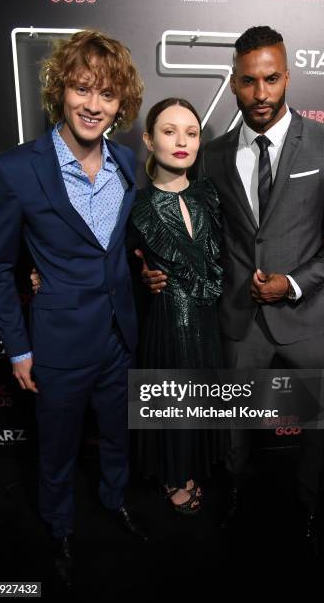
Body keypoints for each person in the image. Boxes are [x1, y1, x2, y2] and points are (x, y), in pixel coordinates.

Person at [145, 26, 324, 547]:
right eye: (248, 82)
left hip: (307, 318)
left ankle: (309, 509)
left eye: (271, 79)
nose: (261, 93)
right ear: (235, 82)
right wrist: (151, 263)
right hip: (239, 319)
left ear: (287, 76)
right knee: (233, 430)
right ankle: (234, 501)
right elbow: (193, 228)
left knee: (318, 429)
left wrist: (294, 283)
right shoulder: (216, 152)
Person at [0, 29, 146, 589]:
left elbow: (118, 248)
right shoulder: (17, 169)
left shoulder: (127, 163)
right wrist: (19, 347)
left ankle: (115, 500)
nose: (94, 106)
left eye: (107, 95)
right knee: (56, 447)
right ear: (61, 90)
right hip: (55, 343)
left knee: (118, 436)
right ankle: (59, 529)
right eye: (83, 89)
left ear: (121, 104)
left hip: (119, 336)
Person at [129, 98, 224, 514]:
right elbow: (118, 269)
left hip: (208, 321)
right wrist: (142, 277)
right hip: (166, 320)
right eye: (169, 132)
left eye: (191, 132)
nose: (182, 141)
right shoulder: (137, 206)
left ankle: (194, 464)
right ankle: (172, 474)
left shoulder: (211, 195)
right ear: (149, 141)